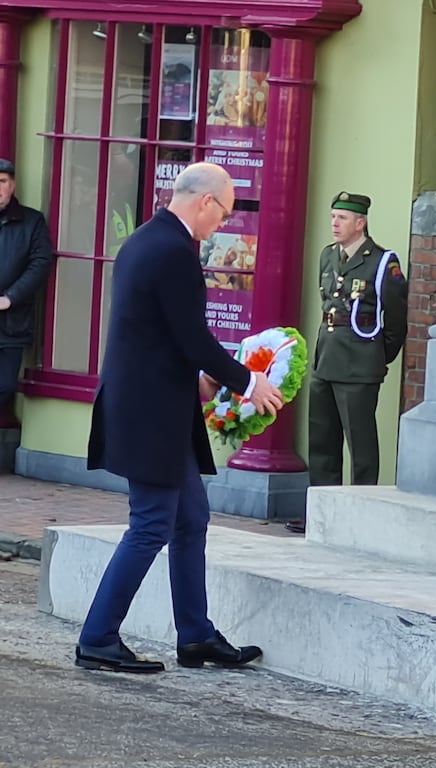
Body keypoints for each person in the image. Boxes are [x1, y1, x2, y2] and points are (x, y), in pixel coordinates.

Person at [76, 162, 284, 673]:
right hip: (151, 415)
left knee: (191, 520)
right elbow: (192, 338)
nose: (224, 224)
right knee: (149, 526)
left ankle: (195, 636)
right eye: (226, 213)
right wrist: (248, 381)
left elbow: (153, 333)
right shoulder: (173, 251)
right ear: (206, 202)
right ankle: (97, 637)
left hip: (156, 405)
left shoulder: (148, 240)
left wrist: (197, 381)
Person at [286, 192, 408, 534]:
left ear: (360, 222)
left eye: (342, 218)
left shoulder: (383, 262)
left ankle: (362, 515)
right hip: (326, 359)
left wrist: (376, 358)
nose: (334, 224)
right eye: (333, 217)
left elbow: (396, 322)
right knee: (322, 441)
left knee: (361, 444)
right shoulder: (328, 256)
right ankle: (323, 515)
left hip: (359, 363)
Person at [0, 158, 54, 424]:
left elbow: (41, 262)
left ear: (13, 185)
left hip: (12, 322)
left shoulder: (32, 221)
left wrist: (11, 298)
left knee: (6, 385)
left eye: (2, 182)